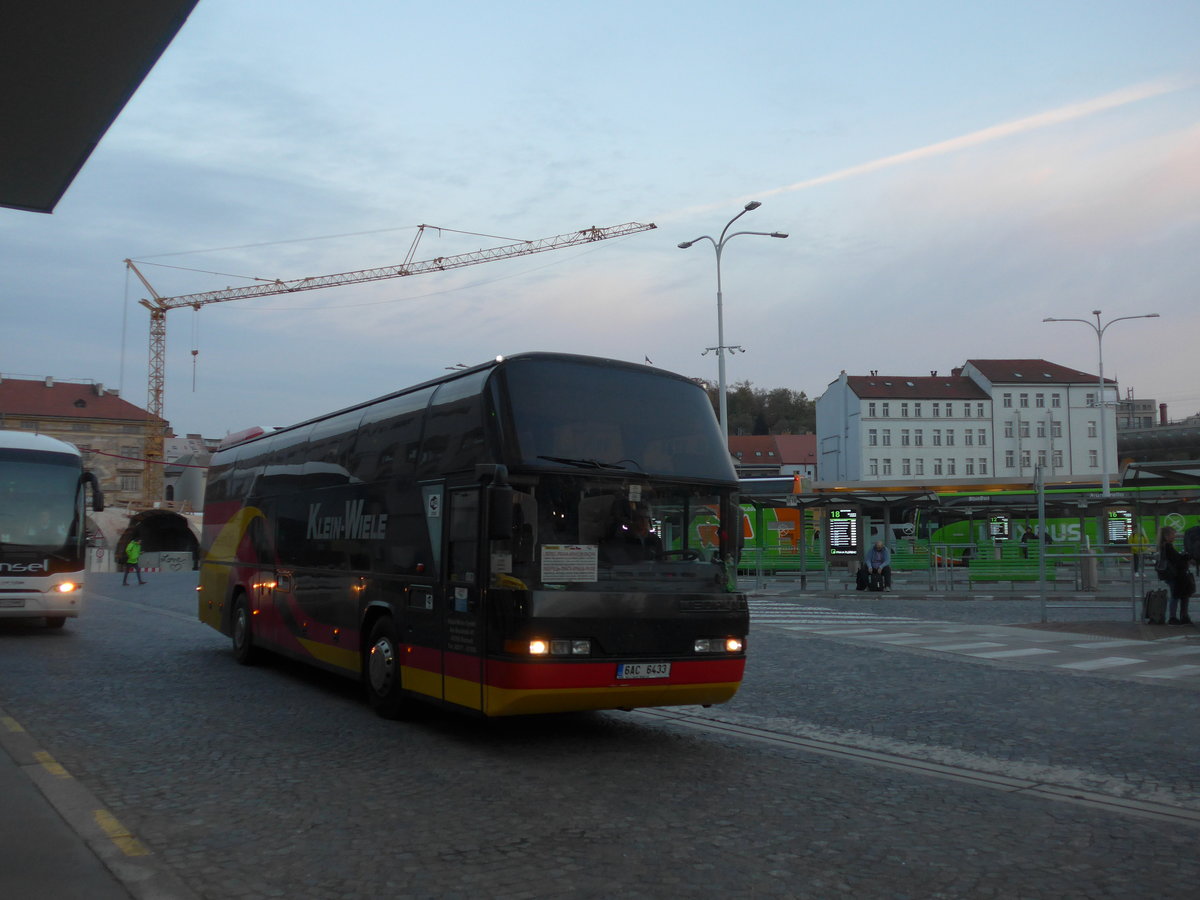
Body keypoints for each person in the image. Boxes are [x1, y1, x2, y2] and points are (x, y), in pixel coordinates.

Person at [1155, 527, 1192, 625]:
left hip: (1172, 575)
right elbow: (1176, 559)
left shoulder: (1164, 546)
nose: (1175, 536)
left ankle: (1177, 617)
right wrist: (1187, 557)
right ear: (1166, 536)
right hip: (1174, 575)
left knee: (1178, 595)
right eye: (1173, 534)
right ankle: (1174, 618)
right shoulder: (1167, 546)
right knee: (1176, 596)